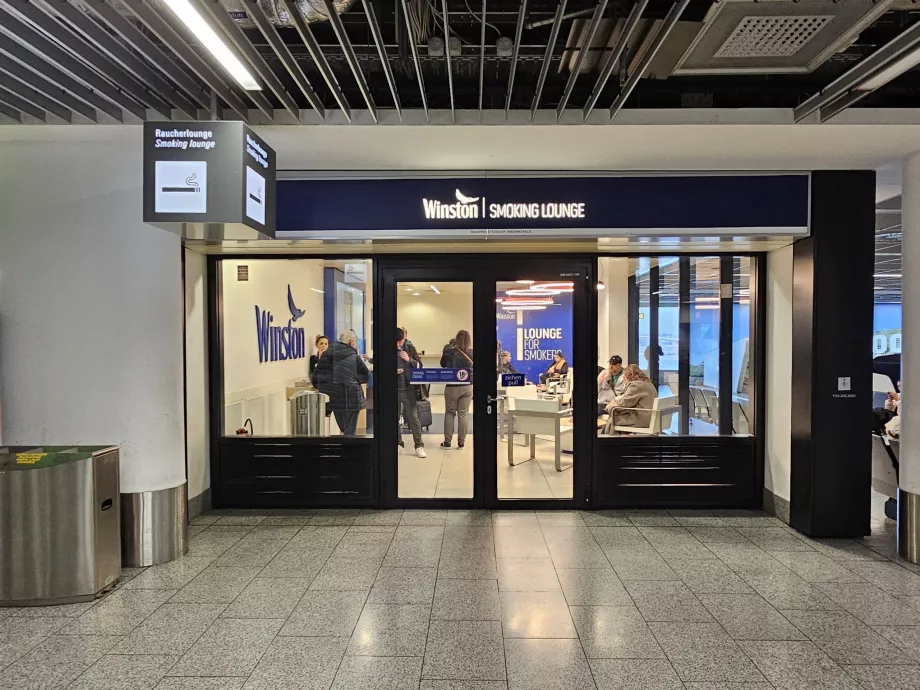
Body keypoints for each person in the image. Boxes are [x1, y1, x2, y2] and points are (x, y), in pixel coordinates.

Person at [310, 330, 368, 436]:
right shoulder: (354, 356)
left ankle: (344, 448)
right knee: (349, 431)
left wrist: (327, 387)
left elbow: (315, 379)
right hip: (352, 398)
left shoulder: (326, 355)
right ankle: (349, 450)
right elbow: (366, 376)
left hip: (333, 400)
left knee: (343, 428)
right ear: (351, 342)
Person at [441, 330, 474, 449]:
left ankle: (447, 441)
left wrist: (449, 348)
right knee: (463, 414)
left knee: (450, 413)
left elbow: (442, 364)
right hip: (468, 386)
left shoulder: (449, 352)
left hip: (452, 386)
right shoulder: (472, 353)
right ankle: (461, 442)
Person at [397, 328, 426, 458]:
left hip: (409, 389)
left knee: (414, 419)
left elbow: (420, 365)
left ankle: (419, 445)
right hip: (394, 389)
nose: (398, 345)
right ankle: (398, 443)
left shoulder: (410, 347)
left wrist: (409, 360)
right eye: (396, 342)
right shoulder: (386, 348)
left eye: (400, 342)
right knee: (395, 419)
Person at [603, 364, 658, 434]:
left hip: (642, 419)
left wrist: (610, 406)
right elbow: (629, 398)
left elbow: (625, 403)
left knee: (613, 419)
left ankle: (608, 442)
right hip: (650, 417)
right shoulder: (647, 383)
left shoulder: (635, 385)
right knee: (618, 416)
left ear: (628, 375)